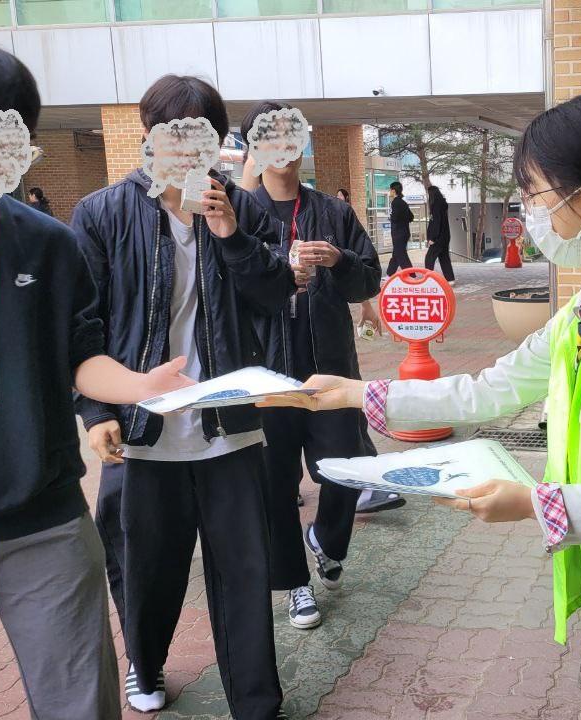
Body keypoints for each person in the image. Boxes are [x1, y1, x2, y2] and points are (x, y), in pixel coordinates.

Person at [262, 93, 581, 720]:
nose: (527, 211)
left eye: (534, 194)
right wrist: (355, 393)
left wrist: (535, 504)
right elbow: (489, 388)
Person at [0, 37, 195, 720]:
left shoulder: (44, 240)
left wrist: (139, 386)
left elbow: (80, 353)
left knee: (81, 704)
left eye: (8, 137)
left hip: (43, 515)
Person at [70, 75, 291, 718]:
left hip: (227, 426)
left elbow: (276, 296)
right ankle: (145, 665)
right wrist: (96, 412)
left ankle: (256, 700)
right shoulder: (103, 212)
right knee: (146, 568)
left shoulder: (240, 207)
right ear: (149, 137)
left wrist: (232, 236)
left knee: (245, 572)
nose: (188, 151)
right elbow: (83, 326)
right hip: (142, 429)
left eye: (201, 138)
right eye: (174, 135)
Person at [240, 100, 400, 632]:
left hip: (330, 369)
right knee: (275, 484)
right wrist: (274, 272)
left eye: (292, 135)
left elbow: (368, 280)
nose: (283, 148)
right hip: (267, 374)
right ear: (254, 147)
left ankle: (328, 540)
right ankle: (295, 583)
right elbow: (227, 291)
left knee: (346, 468)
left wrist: (338, 259)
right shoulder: (241, 215)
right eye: (270, 137)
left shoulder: (332, 212)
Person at [424, 184, 454, 282]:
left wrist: (432, 238)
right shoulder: (442, 204)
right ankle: (450, 279)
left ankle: (428, 279)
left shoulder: (436, 205)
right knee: (444, 258)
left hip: (438, 238)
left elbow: (436, 222)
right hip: (445, 236)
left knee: (429, 258)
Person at [386, 180, 413, 275]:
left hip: (398, 234)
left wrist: (391, 217)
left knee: (401, 256)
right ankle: (390, 274)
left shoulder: (395, 202)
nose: (389, 192)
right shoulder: (403, 202)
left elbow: (395, 218)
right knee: (396, 255)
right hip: (404, 232)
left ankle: (412, 275)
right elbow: (411, 217)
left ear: (393, 191)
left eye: (390, 190)